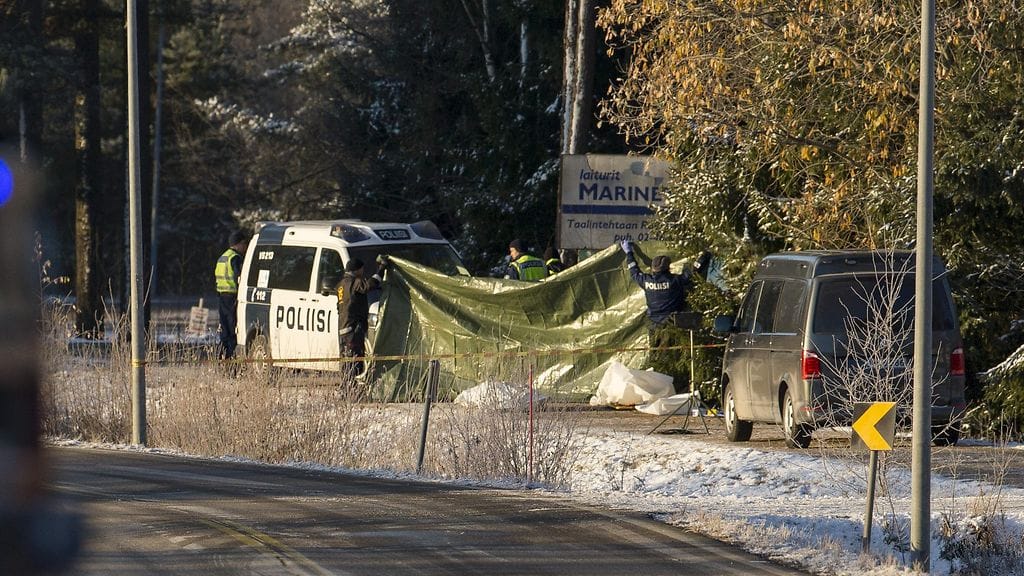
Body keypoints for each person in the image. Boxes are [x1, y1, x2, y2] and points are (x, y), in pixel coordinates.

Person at [336, 255, 387, 379]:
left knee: (347, 361)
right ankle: (352, 392)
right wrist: (381, 268)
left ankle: (347, 390)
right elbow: (370, 285)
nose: (363, 272)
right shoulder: (354, 282)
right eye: (362, 270)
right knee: (355, 362)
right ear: (357, 270)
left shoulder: (341, 284)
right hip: (353, 329)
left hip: (343, 328)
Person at [214, 229, 249, 360]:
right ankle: (231, 361)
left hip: (222, 297)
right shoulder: (235, 258)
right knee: (233, 329)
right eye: (244, 244)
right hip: (233, 298)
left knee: (224, 330)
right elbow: (239, 278)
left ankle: (221, 359)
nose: (245, 247)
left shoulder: (222, 257)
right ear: (238, 244)